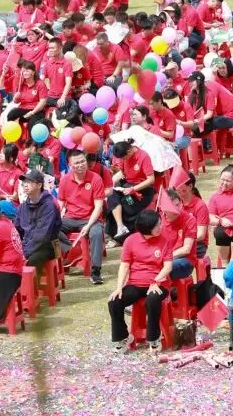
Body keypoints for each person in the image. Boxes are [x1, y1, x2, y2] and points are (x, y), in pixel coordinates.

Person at [108, 209, 172, 354]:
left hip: (159, 283)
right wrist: (119, 287)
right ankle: (124, 337)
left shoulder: (165, 240)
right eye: (157, 225)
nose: (160, 227)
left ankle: (154, 338)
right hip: (135, 283)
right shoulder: (131, 240)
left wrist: (156, 281)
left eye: (160, 223)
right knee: (114, 301)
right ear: (147, 228)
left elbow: (168, 266)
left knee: (152, 299)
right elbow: (124, 265)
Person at [57, 148, 106, 283]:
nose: (81, 165)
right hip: (70, 218)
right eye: (77, 163)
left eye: (83, 161)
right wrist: (56, 218)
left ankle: (95, 271)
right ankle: (72, 252)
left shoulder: (96, 179)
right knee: (50, 228)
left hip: (91, 218)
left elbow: (98, 207)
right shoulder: (65, 180)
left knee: (96, 233)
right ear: (70, 165)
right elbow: (60, 203)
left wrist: (88, 225)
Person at [16, 169, 61, 270]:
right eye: (24, 182)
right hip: (28, 246)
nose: (25, 185)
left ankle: (34, 281)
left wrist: (25, 253)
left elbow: (42, 236)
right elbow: (17, 231)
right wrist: (18, 250)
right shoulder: (23, 207)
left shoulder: (49, 206)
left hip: (48, 246)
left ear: (39, 185)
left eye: (29, 182)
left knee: (31, 263)